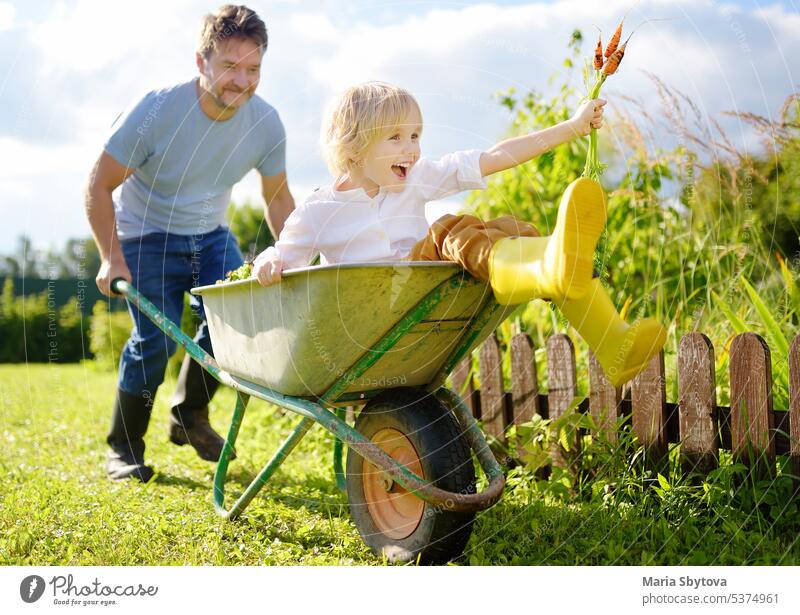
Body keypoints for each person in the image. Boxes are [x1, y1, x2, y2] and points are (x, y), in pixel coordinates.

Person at [252, 81, 666, 387]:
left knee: (511, 234)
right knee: (452, 229)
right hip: (374, 318)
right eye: (395, 137)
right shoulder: (319, 210)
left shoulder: (417, 176)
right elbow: (284, 257)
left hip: (423, 303)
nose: (411, 149)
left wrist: (572, 128)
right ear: (353, 149)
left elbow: (495, 157)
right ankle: (543, 268)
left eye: (415, 135)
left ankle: (610, 339)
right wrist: (270, 262)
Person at [85, 5, 295, 482]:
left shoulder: (266, 124)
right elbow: (98, 184)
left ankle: (188, 410)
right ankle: (124, 449)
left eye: (253, 69)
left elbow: (278, 198)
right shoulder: (157, 111)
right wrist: (110, 256)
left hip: (211, 235)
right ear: (201, 62)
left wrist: (299, 254)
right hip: (145, 236)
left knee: (236, 324)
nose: (241, 81)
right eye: (229, 66)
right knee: (154, 343)